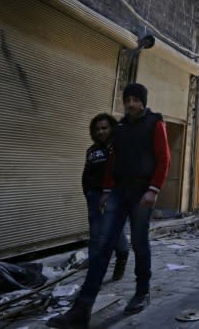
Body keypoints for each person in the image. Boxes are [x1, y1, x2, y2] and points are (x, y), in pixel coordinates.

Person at [48, 83, 170, 329]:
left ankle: (142, 292)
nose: (131, 104)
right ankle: (82, 309)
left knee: (139, 242)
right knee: (102, 246)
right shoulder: (121, 127)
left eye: (136, 100)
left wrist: (153, 189)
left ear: (143, 102)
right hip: (118, 192)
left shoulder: (155, 123)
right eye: (128, 100)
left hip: (141, 194)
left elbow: (164, 158)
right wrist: (106, 190)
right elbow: (113, 159)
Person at [82, 113, 130, 281]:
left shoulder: (119, 148)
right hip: (94, 197)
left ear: (112, 128)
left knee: (115, 233)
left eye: (104, 128)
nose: (101, 132)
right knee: (95, 235)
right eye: (97, 129)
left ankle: (122, 256)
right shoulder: (92, 151)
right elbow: (86, 174)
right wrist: (88, 193)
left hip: (115, 196)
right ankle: (94, 272)